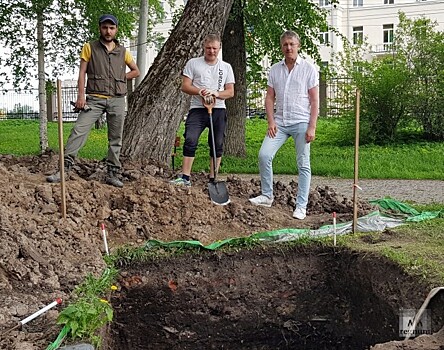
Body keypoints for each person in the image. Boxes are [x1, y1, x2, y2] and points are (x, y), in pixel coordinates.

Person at [47, 14, 140, 188]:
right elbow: (82, 72)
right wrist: (81, 96)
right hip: (94, 99)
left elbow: (136, 71)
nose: (108, 31)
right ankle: (64, 169)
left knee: (115, 138)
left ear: (116, 30)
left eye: (111, 28)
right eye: (105, 27)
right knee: (78, 131)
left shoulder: (123, 51)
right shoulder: (89, 47)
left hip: (117, 100)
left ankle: (112, 172)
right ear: (100, 28)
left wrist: (120, 79)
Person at [249, 30, 319, 220]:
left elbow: (314, 101)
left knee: (303, 164)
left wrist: (312, 126)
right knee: (264, 155)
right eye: (285, 44)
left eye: (292, 44)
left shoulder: (308, 69)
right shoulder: (275, 69)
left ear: (298, 46)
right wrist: (271, 121)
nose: (288, 47)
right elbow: (270, 98)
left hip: (301, 122)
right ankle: (266, 195)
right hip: (279, 123)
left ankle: (301, 206)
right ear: (282, 47)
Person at [170, 33, 235, 187]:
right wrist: (200, 91)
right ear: (203, 47)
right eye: (208, 48)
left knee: (217, 143)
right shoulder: (193, 63)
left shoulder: (226, 67)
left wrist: (216, 94)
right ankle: (185, 177)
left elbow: (230, 92)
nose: (211, 51)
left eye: (214, 48)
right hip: (197, 109)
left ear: (219, 48)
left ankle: (213, 179)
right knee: (190, 139)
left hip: (218, 109)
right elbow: (185, 86)